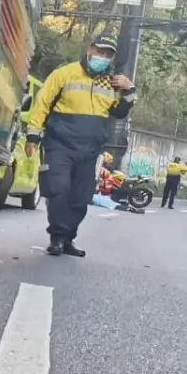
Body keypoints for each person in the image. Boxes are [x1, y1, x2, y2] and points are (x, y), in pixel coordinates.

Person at [25, 31, 136, 256]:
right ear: (90, 50)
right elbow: (42, 103)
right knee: (59, 190)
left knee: (80, 197)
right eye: (100, 51)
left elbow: (119, 112)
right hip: (60, 145)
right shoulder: (65, 74)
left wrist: (129, 90)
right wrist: (33, 136)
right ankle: (56, 237)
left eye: (108, 54)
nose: (102, 56)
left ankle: (67, 239)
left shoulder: (111, 83)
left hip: (90, 150)